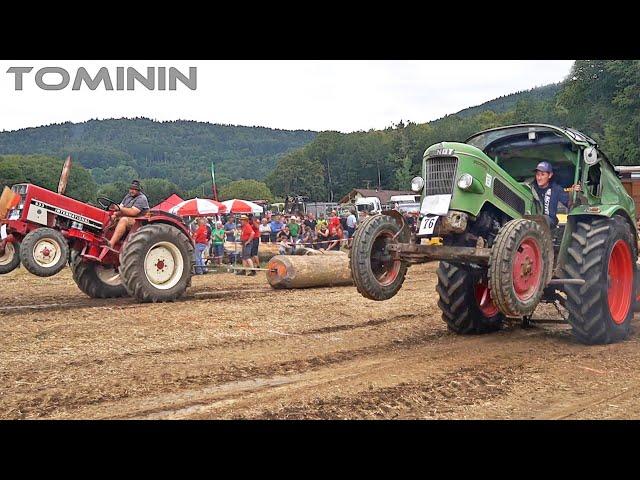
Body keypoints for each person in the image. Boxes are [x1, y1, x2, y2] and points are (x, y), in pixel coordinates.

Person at [530, 161, 581, 228]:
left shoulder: (556, 189)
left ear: (550, 175)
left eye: (542, 174)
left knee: (542, 220)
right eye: (537, 174)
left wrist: (573, 192)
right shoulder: (531, 188)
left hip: (549, 221)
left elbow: (570, 204)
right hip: (531, 221)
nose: (539, 178)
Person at [106, 180, 150, 248]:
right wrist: (115, 214)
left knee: (124, 220)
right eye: (131, 188)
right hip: (128, 217)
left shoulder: (142, 198)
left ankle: (111, 243)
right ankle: (103, 237)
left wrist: (119, 209)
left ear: (139, 190)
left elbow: (133, 212)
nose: (132, 191)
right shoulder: (128, 196)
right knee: (110, 217)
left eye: (134, 189)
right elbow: (121, 207)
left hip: (138, 222)